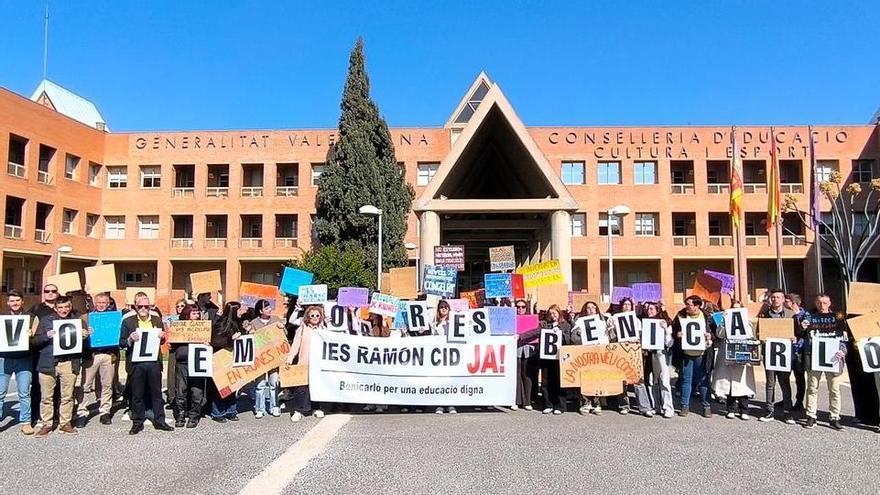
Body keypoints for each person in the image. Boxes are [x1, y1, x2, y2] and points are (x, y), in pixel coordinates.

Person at [31, 295, 90, 437]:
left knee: (67, 396)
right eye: (60, 307)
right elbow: (35, 341)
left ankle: (65, 423)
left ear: (70, 307)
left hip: (69, 362)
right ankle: (46, 424)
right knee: (46, 397)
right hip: (48, 362)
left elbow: (84, 344)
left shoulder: (77, 321)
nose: (64, 310)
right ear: (56, 308)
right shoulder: (46, 321)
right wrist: (46, 336)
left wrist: (86, 335)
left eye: (66, 307)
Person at [120, 292, 173, 434]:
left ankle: (160, 421)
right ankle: (137, 422)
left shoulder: (157, 320)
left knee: (157, 394)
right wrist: (130, 339)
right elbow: (121, 342)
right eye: (140, 306)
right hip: (136, 363)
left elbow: (161, 340)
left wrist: (162, 337)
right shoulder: (128, 322)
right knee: (137, 395)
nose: (143, 308)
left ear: (150, 306)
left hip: (153, 362)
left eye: (146, 306)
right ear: (135, 307)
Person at [802, 293, 847, 430]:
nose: (822, 305)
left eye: (825, 303)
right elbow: (800, 334)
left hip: (833, 358)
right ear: (816, 303)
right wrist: (802, 327)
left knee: (834, 389)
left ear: (830, 303)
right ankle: (811, 416)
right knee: (812, 388)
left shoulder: (838, 318)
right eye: (819, 303)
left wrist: (843, 351)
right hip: (814, 358)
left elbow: (844, 337)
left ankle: (834, 417)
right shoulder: (809, 317)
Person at [77, 292, 119, 426]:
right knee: (85, 385)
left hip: (108, 354)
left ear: (108, 304)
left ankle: (105, 411)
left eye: (104, 303)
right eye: (99, 303)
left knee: (107, 385)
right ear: (94, 304)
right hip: (91, 355)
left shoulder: (114, 318)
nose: (101, 305)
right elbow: (77, 338)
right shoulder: (85, 318)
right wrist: (85, 335)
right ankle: (82, 411)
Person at [757, 289, 796, 424]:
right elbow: (758, 332)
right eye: (773, 297)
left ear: (783, 299)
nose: (775, 299)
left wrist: (794, 338)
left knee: (785, 383)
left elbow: (797, 333)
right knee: (770, 383)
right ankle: (769, 411)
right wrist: (761, 338)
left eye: (778, 297)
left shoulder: (791, 314)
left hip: (784, 354)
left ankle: (788, 412)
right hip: (769, 353)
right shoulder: (764, 314)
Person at [608, 298, 652, 416]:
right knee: (621, 380)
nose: (627, 306)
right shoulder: (614, 319)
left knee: (638, 379)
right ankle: (623, 405)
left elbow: (640, 336)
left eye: (629, 304)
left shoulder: (636, 320)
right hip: (620, 350)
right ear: (621, 306)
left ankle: (644, 407)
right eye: (625, 304)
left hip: (633, 351)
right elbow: (611, 336)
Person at [712, 305, 757, 421]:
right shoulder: (725, 321)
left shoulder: (747, 322)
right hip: (729, 353)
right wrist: (723, 322)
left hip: (742, 353)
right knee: (730, 383)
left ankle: (744, 410)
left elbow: (750, 335)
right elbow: (719, 334)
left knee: (742, 383)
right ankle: (731, 409)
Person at [672, 295, 714, 418]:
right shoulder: (680, 316)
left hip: (702, 354)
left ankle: (706, 406)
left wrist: (710, 336)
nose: (686, 307)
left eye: (689, 305)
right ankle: (684, 406)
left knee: (703, 381)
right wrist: (677, 335)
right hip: (686, 354)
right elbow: (673, 330)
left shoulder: (707, 317)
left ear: (697, 306)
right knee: (686, 380)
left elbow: (715, 333)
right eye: (686, 304)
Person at [0, 290, 34, 435]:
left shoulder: (31, 318)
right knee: (0, 393)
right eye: (12, 301)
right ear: (8, 303)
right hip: (4, 359)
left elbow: (38, 338)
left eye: (17, 300)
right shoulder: (2, 318)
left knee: (24, 393)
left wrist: (32, 335)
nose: (15, 303)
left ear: (22, 301)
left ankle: (25, 422)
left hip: (24, 359)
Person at [171, 304, 208, 428]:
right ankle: (180, 415)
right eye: (194, 313)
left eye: (198, 313)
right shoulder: (180, 327)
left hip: (198, 362)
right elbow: (171, 345)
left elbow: (211, 342)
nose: (196, 316)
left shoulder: (203, 328)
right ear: (187, 315)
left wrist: (207, 344)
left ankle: (194, 416)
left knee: (197, 391)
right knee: (181, 391)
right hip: (183, 362)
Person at [287, 304, 325, 422]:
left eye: (317, 315)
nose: (315, 317)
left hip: (318, 364)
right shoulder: (302, 329)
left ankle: (316, 408)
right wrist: (290, 358)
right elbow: (296, 345)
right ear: (308, 317)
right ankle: (298, 410)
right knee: (301, 388)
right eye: (312, 315)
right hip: (304, 362)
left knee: (317, 387)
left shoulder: (324, 330)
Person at [246, 299, 284, 419]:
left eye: (269, 307)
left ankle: (274, 407)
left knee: (274, 383)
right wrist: (250, 332)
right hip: (260, 358)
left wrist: (282, 328)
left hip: (274, 356)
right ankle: (259, 408)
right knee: (260, 384)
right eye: (266, 308)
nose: (269, 310)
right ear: (260, 310)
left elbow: (284, 336)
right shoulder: (254, 322)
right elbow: (249, 339)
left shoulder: (276, 319)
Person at [210, 301, 246, 423]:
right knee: (221, 387)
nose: (241, 312)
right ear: (233, 311)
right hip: (221, 360)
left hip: (234, 359)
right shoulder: (220, 324)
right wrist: (231, 339)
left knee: (233, 386)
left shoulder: (238, 323)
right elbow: (216, 341)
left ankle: (231, 411)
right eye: (239, 310)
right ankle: (218, 413)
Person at [642, 301, 675, 418]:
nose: (649, 311)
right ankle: (655, 406)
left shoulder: (664, 322)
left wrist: (666, 330)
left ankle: (668, 407)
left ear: (657, 310)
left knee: (664, 381)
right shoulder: (645, 323)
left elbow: (670, 343)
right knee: (652, 381)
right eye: (648, 309)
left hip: (661, 354)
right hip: (650, 355)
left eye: (652, 309)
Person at [539, 304, 568, 415]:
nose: (552, 315)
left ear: (559, 313)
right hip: (547, 357)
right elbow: (536, 332)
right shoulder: (545, 325)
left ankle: (560, 405)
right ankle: (548, 404)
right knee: (546, 382)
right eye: (550, 313)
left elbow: (569, 339)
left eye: (554, 313)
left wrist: (560, 332)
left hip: (559, 358)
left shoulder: (565, 325)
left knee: (559, 381)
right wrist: (521, 336)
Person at [430, 300, 456, 414]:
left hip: (451, 355)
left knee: (450, 380)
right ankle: (440, 404)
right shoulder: (434, 324)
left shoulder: (454, 322)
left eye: (446, 307)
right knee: (440, 380)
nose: (444, 309)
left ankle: (451, 404)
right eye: (441, 307)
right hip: (439, 356)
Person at [784, 293, 808, 411]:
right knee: (784, 376)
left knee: (799, 377)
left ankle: (799, 401)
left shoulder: (805, 315)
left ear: (793, 303)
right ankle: (786, 399)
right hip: (786, 350)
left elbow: (806, 333)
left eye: (786, 301)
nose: (784, 303)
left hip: (799, 350)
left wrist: (797, 338)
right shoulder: (786, 315)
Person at [514, 298, 538, 411]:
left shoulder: (532, 319)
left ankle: (527, 401)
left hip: (529, 349)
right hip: (516, 349)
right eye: (518, 307)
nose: (520, 309)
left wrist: (522, 336)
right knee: (516, 374)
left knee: (527, 375)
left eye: (523, 307)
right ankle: (516, 400)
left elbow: (537, 331)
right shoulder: (511, 318)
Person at [165, 298, 186, 419]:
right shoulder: (171, 319)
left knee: (182, 376)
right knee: (172, 373)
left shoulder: (189, 320)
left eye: (182, 306)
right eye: (177, 306)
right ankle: (172, 398)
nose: (179, 308)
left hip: (184, 349)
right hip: (173, 348)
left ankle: (181, 399)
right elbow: (167, 332)